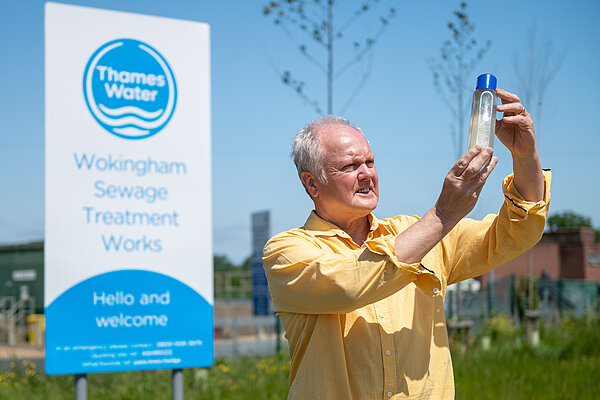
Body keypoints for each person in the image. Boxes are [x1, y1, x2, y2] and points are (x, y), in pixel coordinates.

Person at [262, 88, 551, 399]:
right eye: (350, 166)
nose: (366, 174)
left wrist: (525, 155)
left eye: (370, 162)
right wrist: (443, 214)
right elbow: (351, 283)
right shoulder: (286, 252)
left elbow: (516, 233)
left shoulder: (416, 232)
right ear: (311, 182)